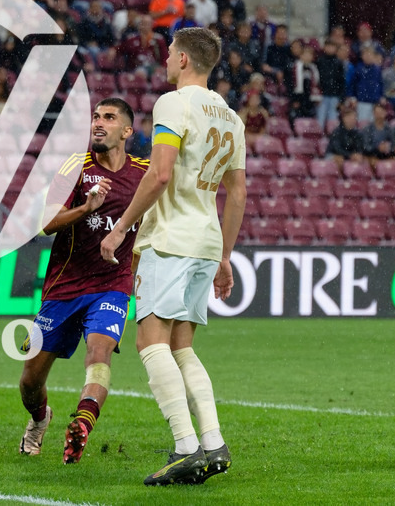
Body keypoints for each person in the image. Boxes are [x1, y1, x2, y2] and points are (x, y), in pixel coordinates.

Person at [100, 27, 246, 486]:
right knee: (181, 346)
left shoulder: (172, 103)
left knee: (149, 342)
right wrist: (225, 256)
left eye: (169, 53)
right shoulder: (230, 117)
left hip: (170, 240)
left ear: (184, 59)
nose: (164, 59)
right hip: (204, 242)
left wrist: (121, 226)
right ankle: (213, 442)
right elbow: (237, 192)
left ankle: (186, 447)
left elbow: (160, 174)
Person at [18, 98, 146, 464]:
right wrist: (85, 209)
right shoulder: (77, 167)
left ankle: (83, 424)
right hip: (65, 285)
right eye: (95, 117)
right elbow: (45, 222)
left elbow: (155, 220)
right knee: (30, 381)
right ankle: (40, 419)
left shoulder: (142, 174)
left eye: (109, 117)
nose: (98, 123)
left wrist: (134, 267)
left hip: (112, 284)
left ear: (127, 131)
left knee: (99, 351)